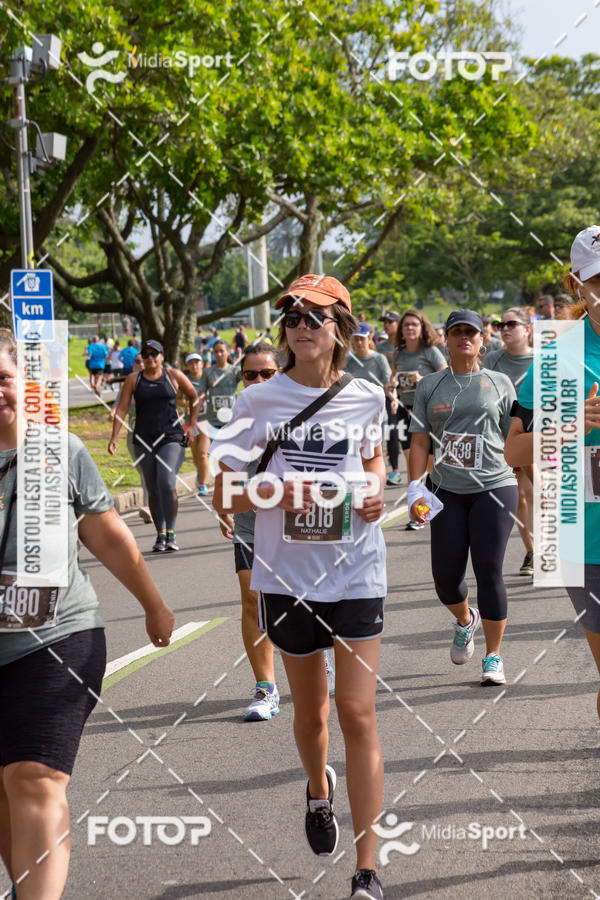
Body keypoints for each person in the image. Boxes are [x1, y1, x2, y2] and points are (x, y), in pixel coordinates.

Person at [212, 274, 387, 900]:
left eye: (316, 316)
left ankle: (367, 870)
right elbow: (222, 492)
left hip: (358, 572)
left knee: (356, 712)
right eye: (291, 315)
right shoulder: (259, 401)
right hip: (286, 579)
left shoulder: (367, 395)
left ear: (339, 326)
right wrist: (279, 492)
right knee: (312, 714)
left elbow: (374, 461)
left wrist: (374, 491)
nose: (302, 325)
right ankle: (319, 789)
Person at [0, 329, 174, 900]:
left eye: (3, 379)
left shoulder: (60, 450)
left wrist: (153, 604)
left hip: (57, 636)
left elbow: (106, 534)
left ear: (24, 384)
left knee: (34, 776)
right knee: (7, 788)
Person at [505, 224, 600, 719]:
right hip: (585, 538)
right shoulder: (558, 359)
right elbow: (513, 452)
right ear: (575, 284)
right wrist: (572, 424)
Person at [408, 309, 518, 685]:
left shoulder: (500, 382)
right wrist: (414, 486)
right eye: (456, 332)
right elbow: (420, 440)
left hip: (495, 486)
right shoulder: (430, 385)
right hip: (446, 490)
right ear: (446, 339)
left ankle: (493, 656)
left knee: (489, 571)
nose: (464, 338)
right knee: (446, 578)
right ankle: (464, 620)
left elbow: (514, 438)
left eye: (471, 332)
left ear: (482, 340)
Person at [108, 340, 198, 552]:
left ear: (162, 357)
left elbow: (194, 396)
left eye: (154, 354)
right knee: (153, 488)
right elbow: (121, 409)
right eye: (146, 355)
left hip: (171, 437)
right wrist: (114, 437)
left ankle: (172, 533)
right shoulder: (133, 379)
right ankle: (160, 534)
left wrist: (191, 426)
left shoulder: (173, 376)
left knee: (166, 482)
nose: (150, 358)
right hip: (143, 440)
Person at [484, 308, 535, 575]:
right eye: (499, 324)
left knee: (547, 494)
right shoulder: (492, 359)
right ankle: (532, 551)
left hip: (538, 438)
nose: (504, 328)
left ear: (527, 328)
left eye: (511, 324)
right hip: (506, 438)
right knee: (520, 497)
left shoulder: (542, 359)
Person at [390, 309, 446, 521]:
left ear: (422, 328)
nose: (410, 328)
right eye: (406, 325)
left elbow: (446, 374)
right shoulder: (398, 353)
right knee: (412, 465)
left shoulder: (430, 351)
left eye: (415, 324)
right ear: (401, 330)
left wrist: (424, 378)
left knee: (429, 467)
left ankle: (433, 507)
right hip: (406, 412)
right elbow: (393, 379)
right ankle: (418, 514)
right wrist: (392, 388)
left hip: (428, 413)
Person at [109, 353, 152, 523]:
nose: (141, 364)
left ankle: (150, 505)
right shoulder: (129, 383)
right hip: (134, 434)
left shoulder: (155, 382)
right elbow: (119, 407)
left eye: (143, 361)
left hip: (154, 434)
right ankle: (152, 504)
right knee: (143, 470)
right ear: (133, 364)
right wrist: (114, 436)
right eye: (137, 362)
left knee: (150, 471)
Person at [194, 340, 240, 496]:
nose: (219, 354)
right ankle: (203, 483)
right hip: (211, 422)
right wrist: (193, 420)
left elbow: (251, 383)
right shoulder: (208, 373)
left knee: (227, 458)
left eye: (222, 351)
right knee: (203, 453)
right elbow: (200, 397)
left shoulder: (235, 371)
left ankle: (230, 488)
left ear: (227, 352)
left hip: (230, 423)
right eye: (216, 352)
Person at [376, 311, 401, 486]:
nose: (386, 325)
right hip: (386, 393)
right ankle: (395, 471)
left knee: (405, 435)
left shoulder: (404, 345)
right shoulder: (381, 347)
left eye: (390, 321)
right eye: (384, 322)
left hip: (405, 395)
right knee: (390, 432)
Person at [182, 353, 207, 494]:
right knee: (196, 456)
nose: (194, 365)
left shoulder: (207, 379)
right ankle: (200, 472)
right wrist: (184, 403)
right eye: (191, 363)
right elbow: (178, 398)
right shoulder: (184, 381)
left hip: (205, 420)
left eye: (197, 362)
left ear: (202, 364)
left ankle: (202, 484)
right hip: (190, 421)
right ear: (187, 365)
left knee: (203, 452)